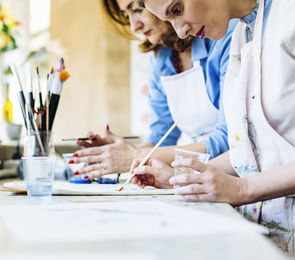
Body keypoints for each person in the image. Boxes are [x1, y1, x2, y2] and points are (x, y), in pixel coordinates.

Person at [132, 0, 295, 260]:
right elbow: (256, 146)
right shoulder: (243, 30)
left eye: (177, 9)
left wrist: (243, 189)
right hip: (277, 242)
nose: (180, 32)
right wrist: (182, 177)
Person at [69, 0, 237, 179]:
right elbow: (161, 138)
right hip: (203, 179)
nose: (134, 26)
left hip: (235, 176)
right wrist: (114, 154)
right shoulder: (163, 58)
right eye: (127, 15)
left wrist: (133, 156)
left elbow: (230, 139)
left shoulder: (224, 35)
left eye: (137, 9)